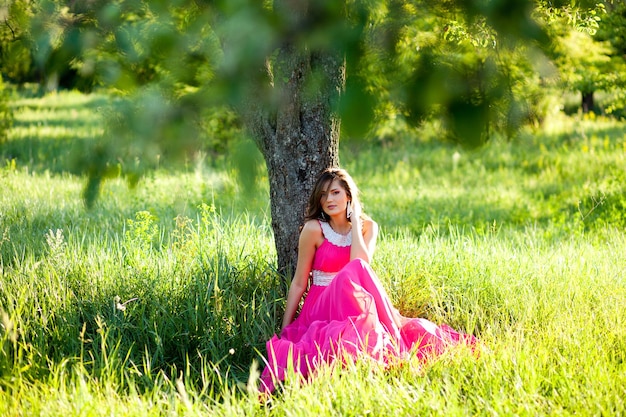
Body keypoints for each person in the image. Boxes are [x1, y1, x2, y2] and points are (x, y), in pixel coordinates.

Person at [259, 168, 477, 394]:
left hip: (354, 303)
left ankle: (381, 350)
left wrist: (354, 223)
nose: (328, 199)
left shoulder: (368, 227)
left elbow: (360, 261)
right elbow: (298, 282)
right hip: (322, 303)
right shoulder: (314, 230)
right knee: (353, 273)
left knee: (357, 273)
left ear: (349, 196)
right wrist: (286, 326)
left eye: (335, 192)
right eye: (323, 195)